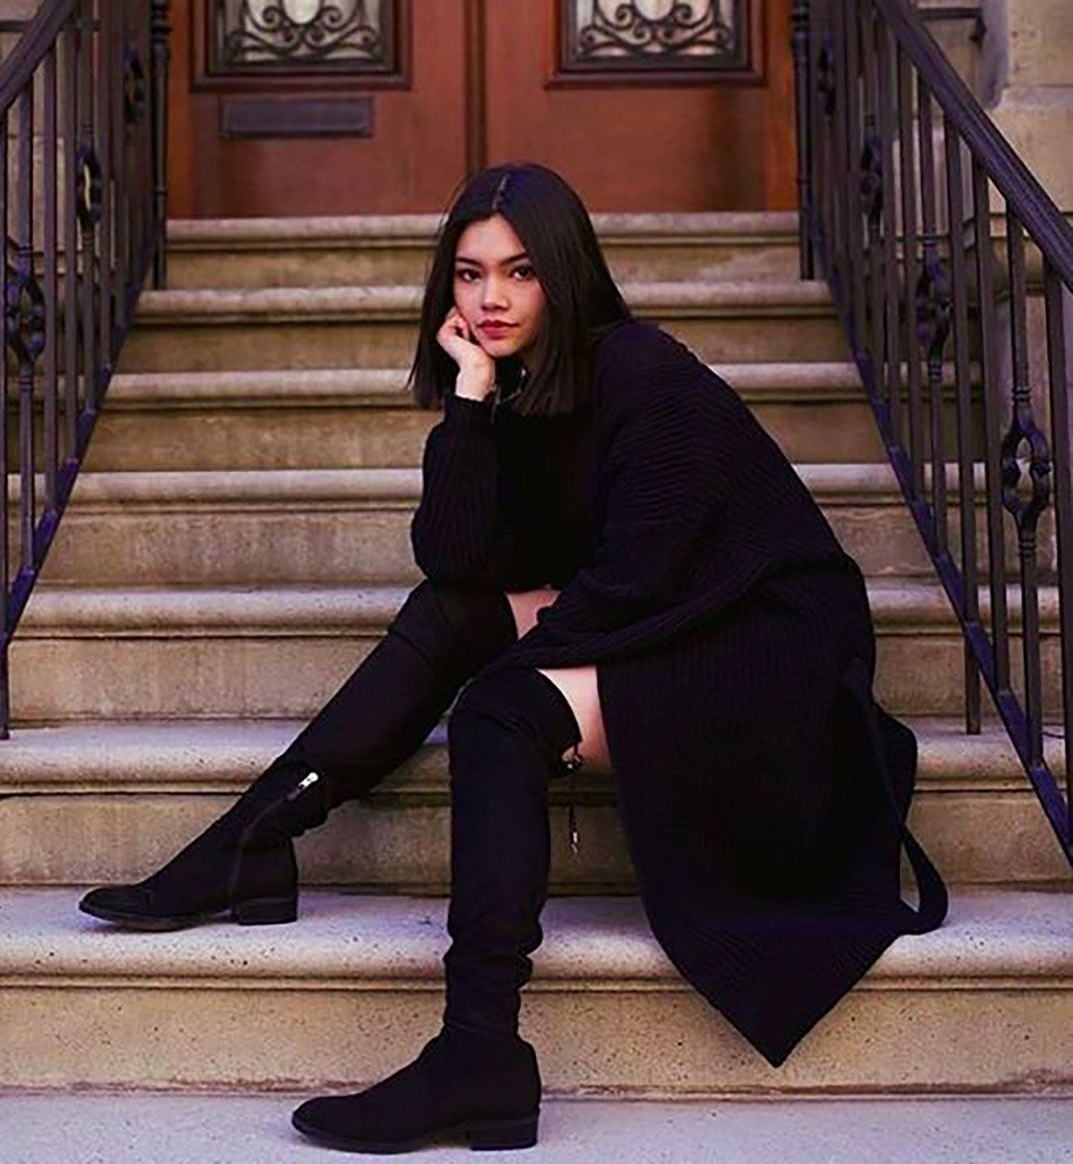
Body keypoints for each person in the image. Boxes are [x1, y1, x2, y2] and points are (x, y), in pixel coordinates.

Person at [78, 162, 948, 1153]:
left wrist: (525, 663)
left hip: (768, 659)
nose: (490, 297)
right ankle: (255, 838)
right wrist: (469, 399)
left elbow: (645, 572)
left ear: (565, 273)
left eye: (519, 271)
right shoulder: (523, 393)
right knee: (454, 619)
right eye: (469, 273)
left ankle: (479, 1049)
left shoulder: (642, 370)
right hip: (676, 623)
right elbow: (456, 561)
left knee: (500, 710)